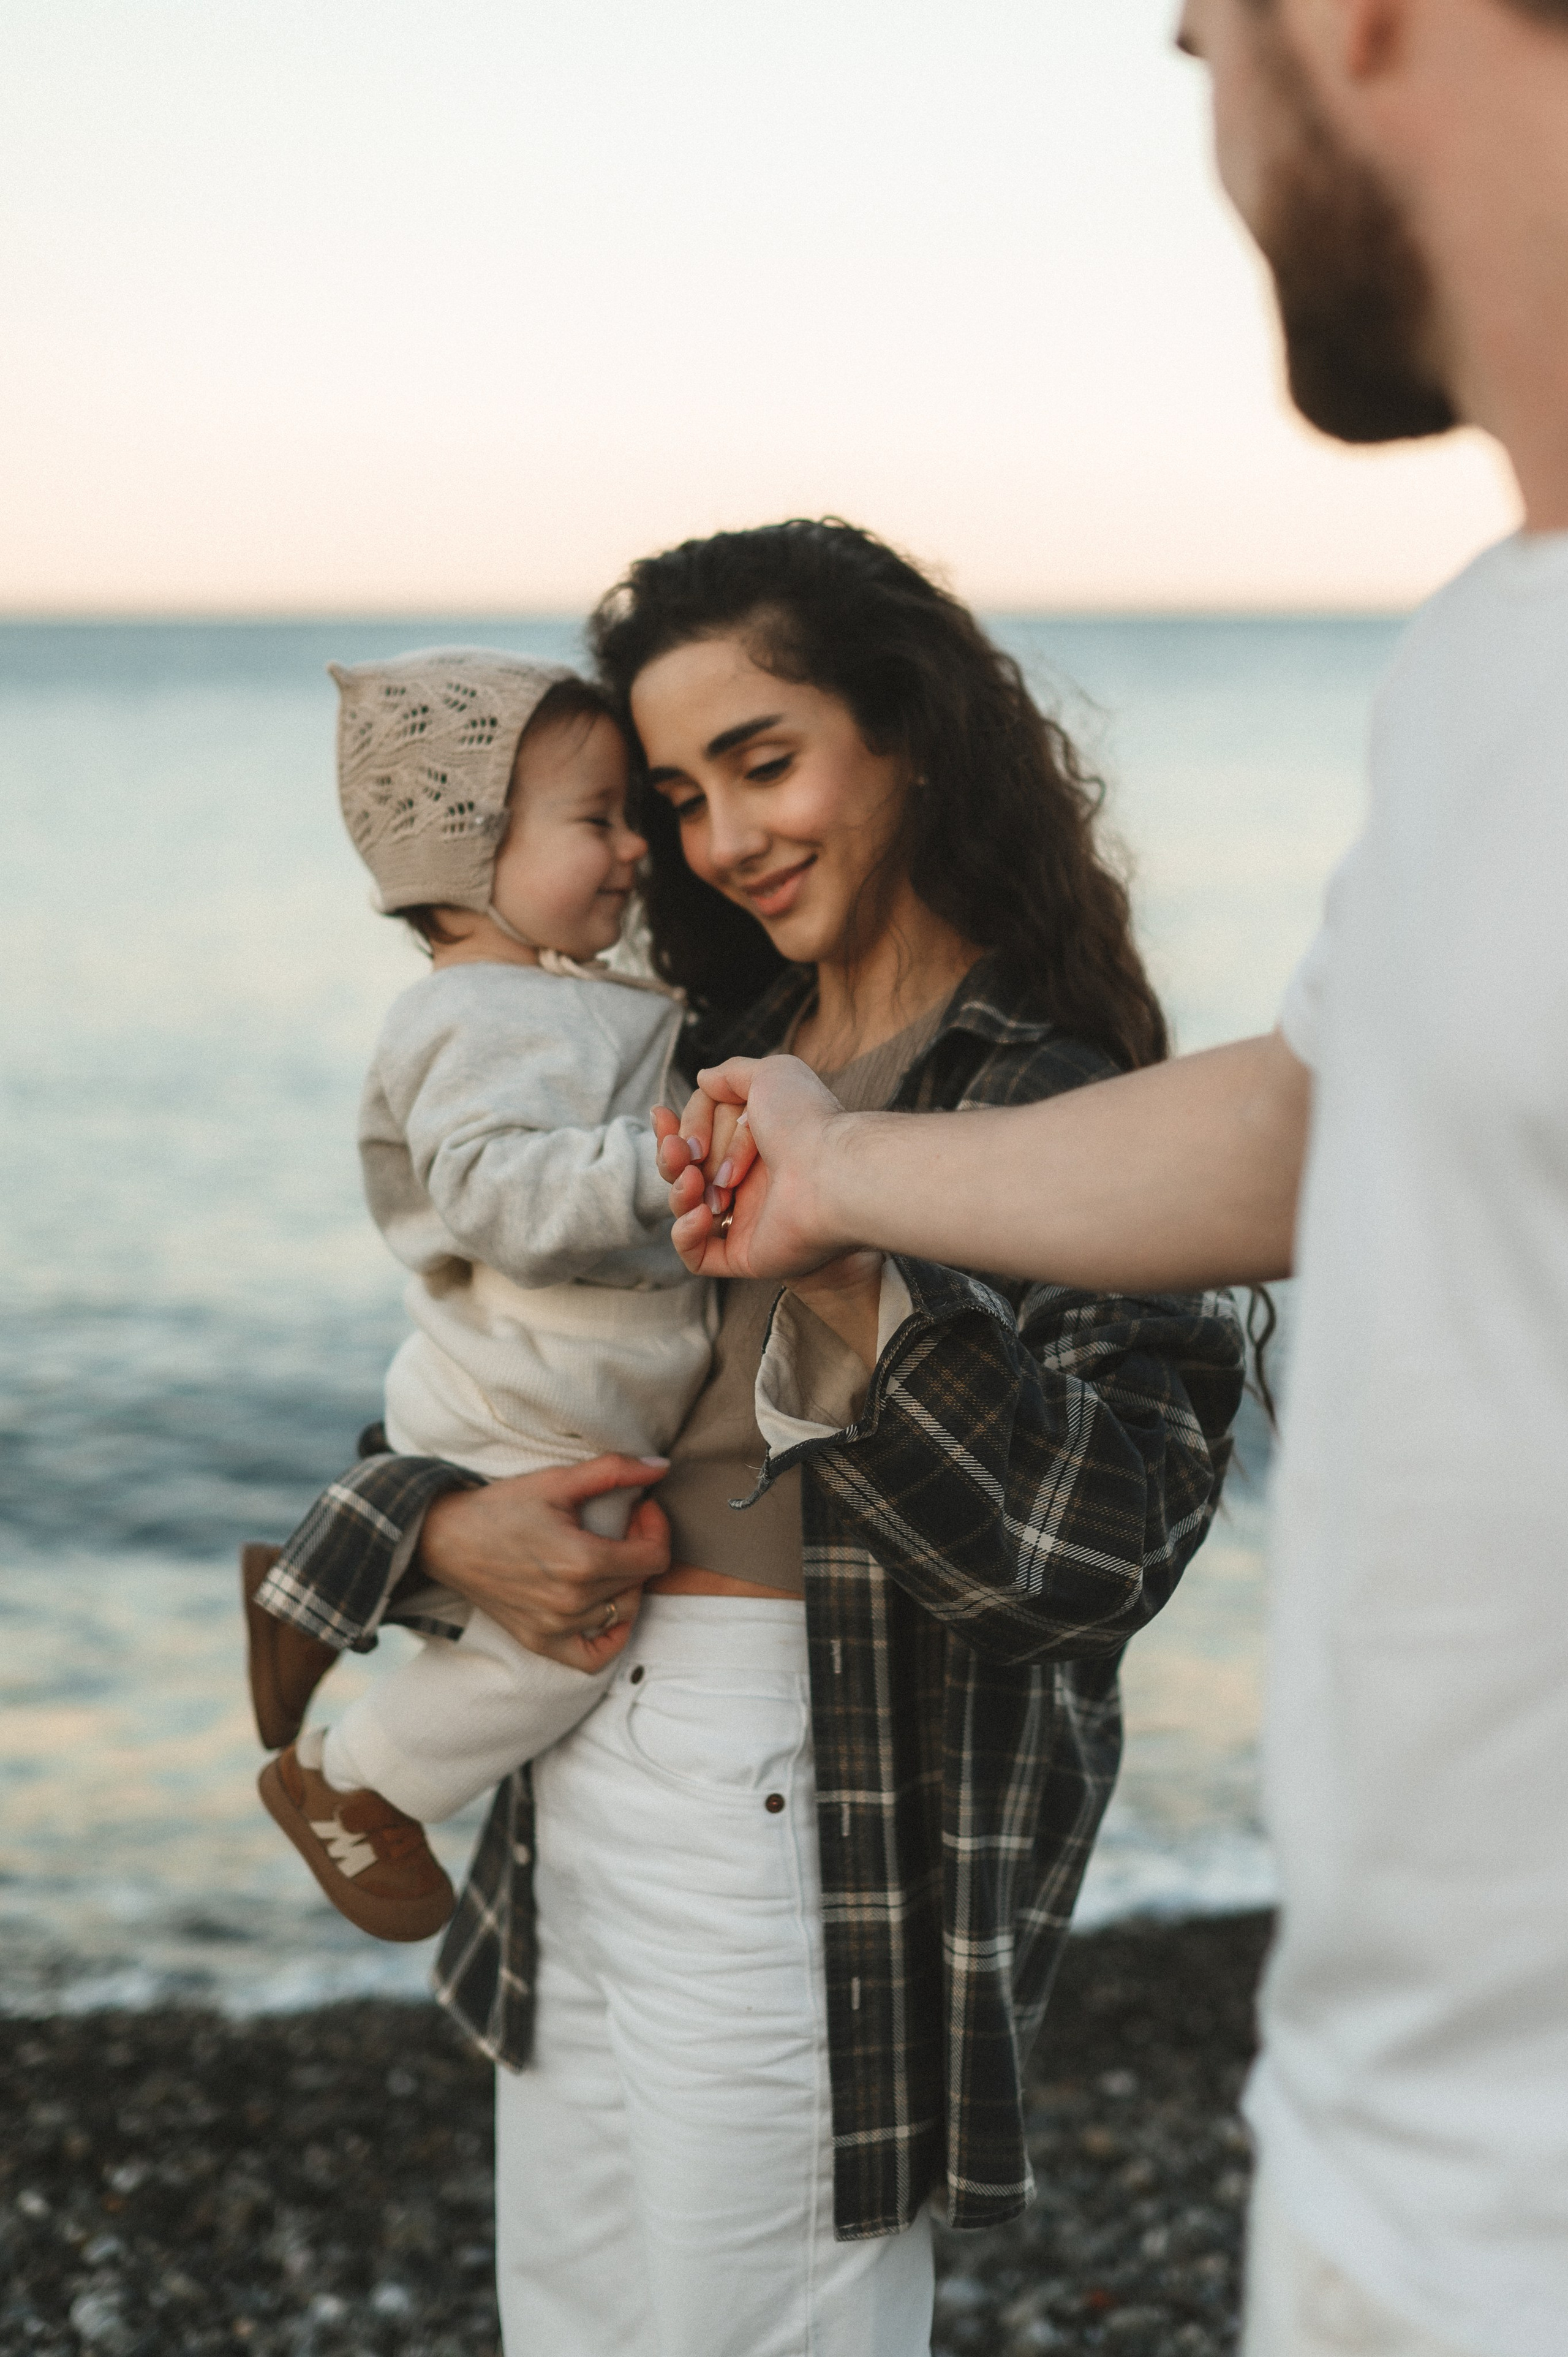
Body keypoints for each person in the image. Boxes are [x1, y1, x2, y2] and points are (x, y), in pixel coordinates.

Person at [662, 7, 1568, 2355]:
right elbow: (1300, 1114)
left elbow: (1085, 1541)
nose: (1210, 116)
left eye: (1198, 42)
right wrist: (850, 1175)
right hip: (1395, 2148)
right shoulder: (1487, 663)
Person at [249, 520, 1245, 2357]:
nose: (717, 842)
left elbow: (1094, 1558)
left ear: (913, 732)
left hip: (808, 1805)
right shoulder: (689, 1044)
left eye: (765, 764)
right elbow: (492, 1356)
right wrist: (442, 1529)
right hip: (563, 1775)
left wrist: (855, 1269)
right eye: (676, 794)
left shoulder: (1054, 1096)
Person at [253, 648, 714, 1945]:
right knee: (559, 1649)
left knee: (541, 1619)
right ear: (468, 855)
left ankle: (304, 1589)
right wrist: (662, 1162)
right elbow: (496, 1193)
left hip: (563, 1389)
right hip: (528, 1404)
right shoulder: (471, 1015)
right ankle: (355, 1782)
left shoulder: (552, 995)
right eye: (597, 818)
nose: (635, 849)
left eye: (632, 814)